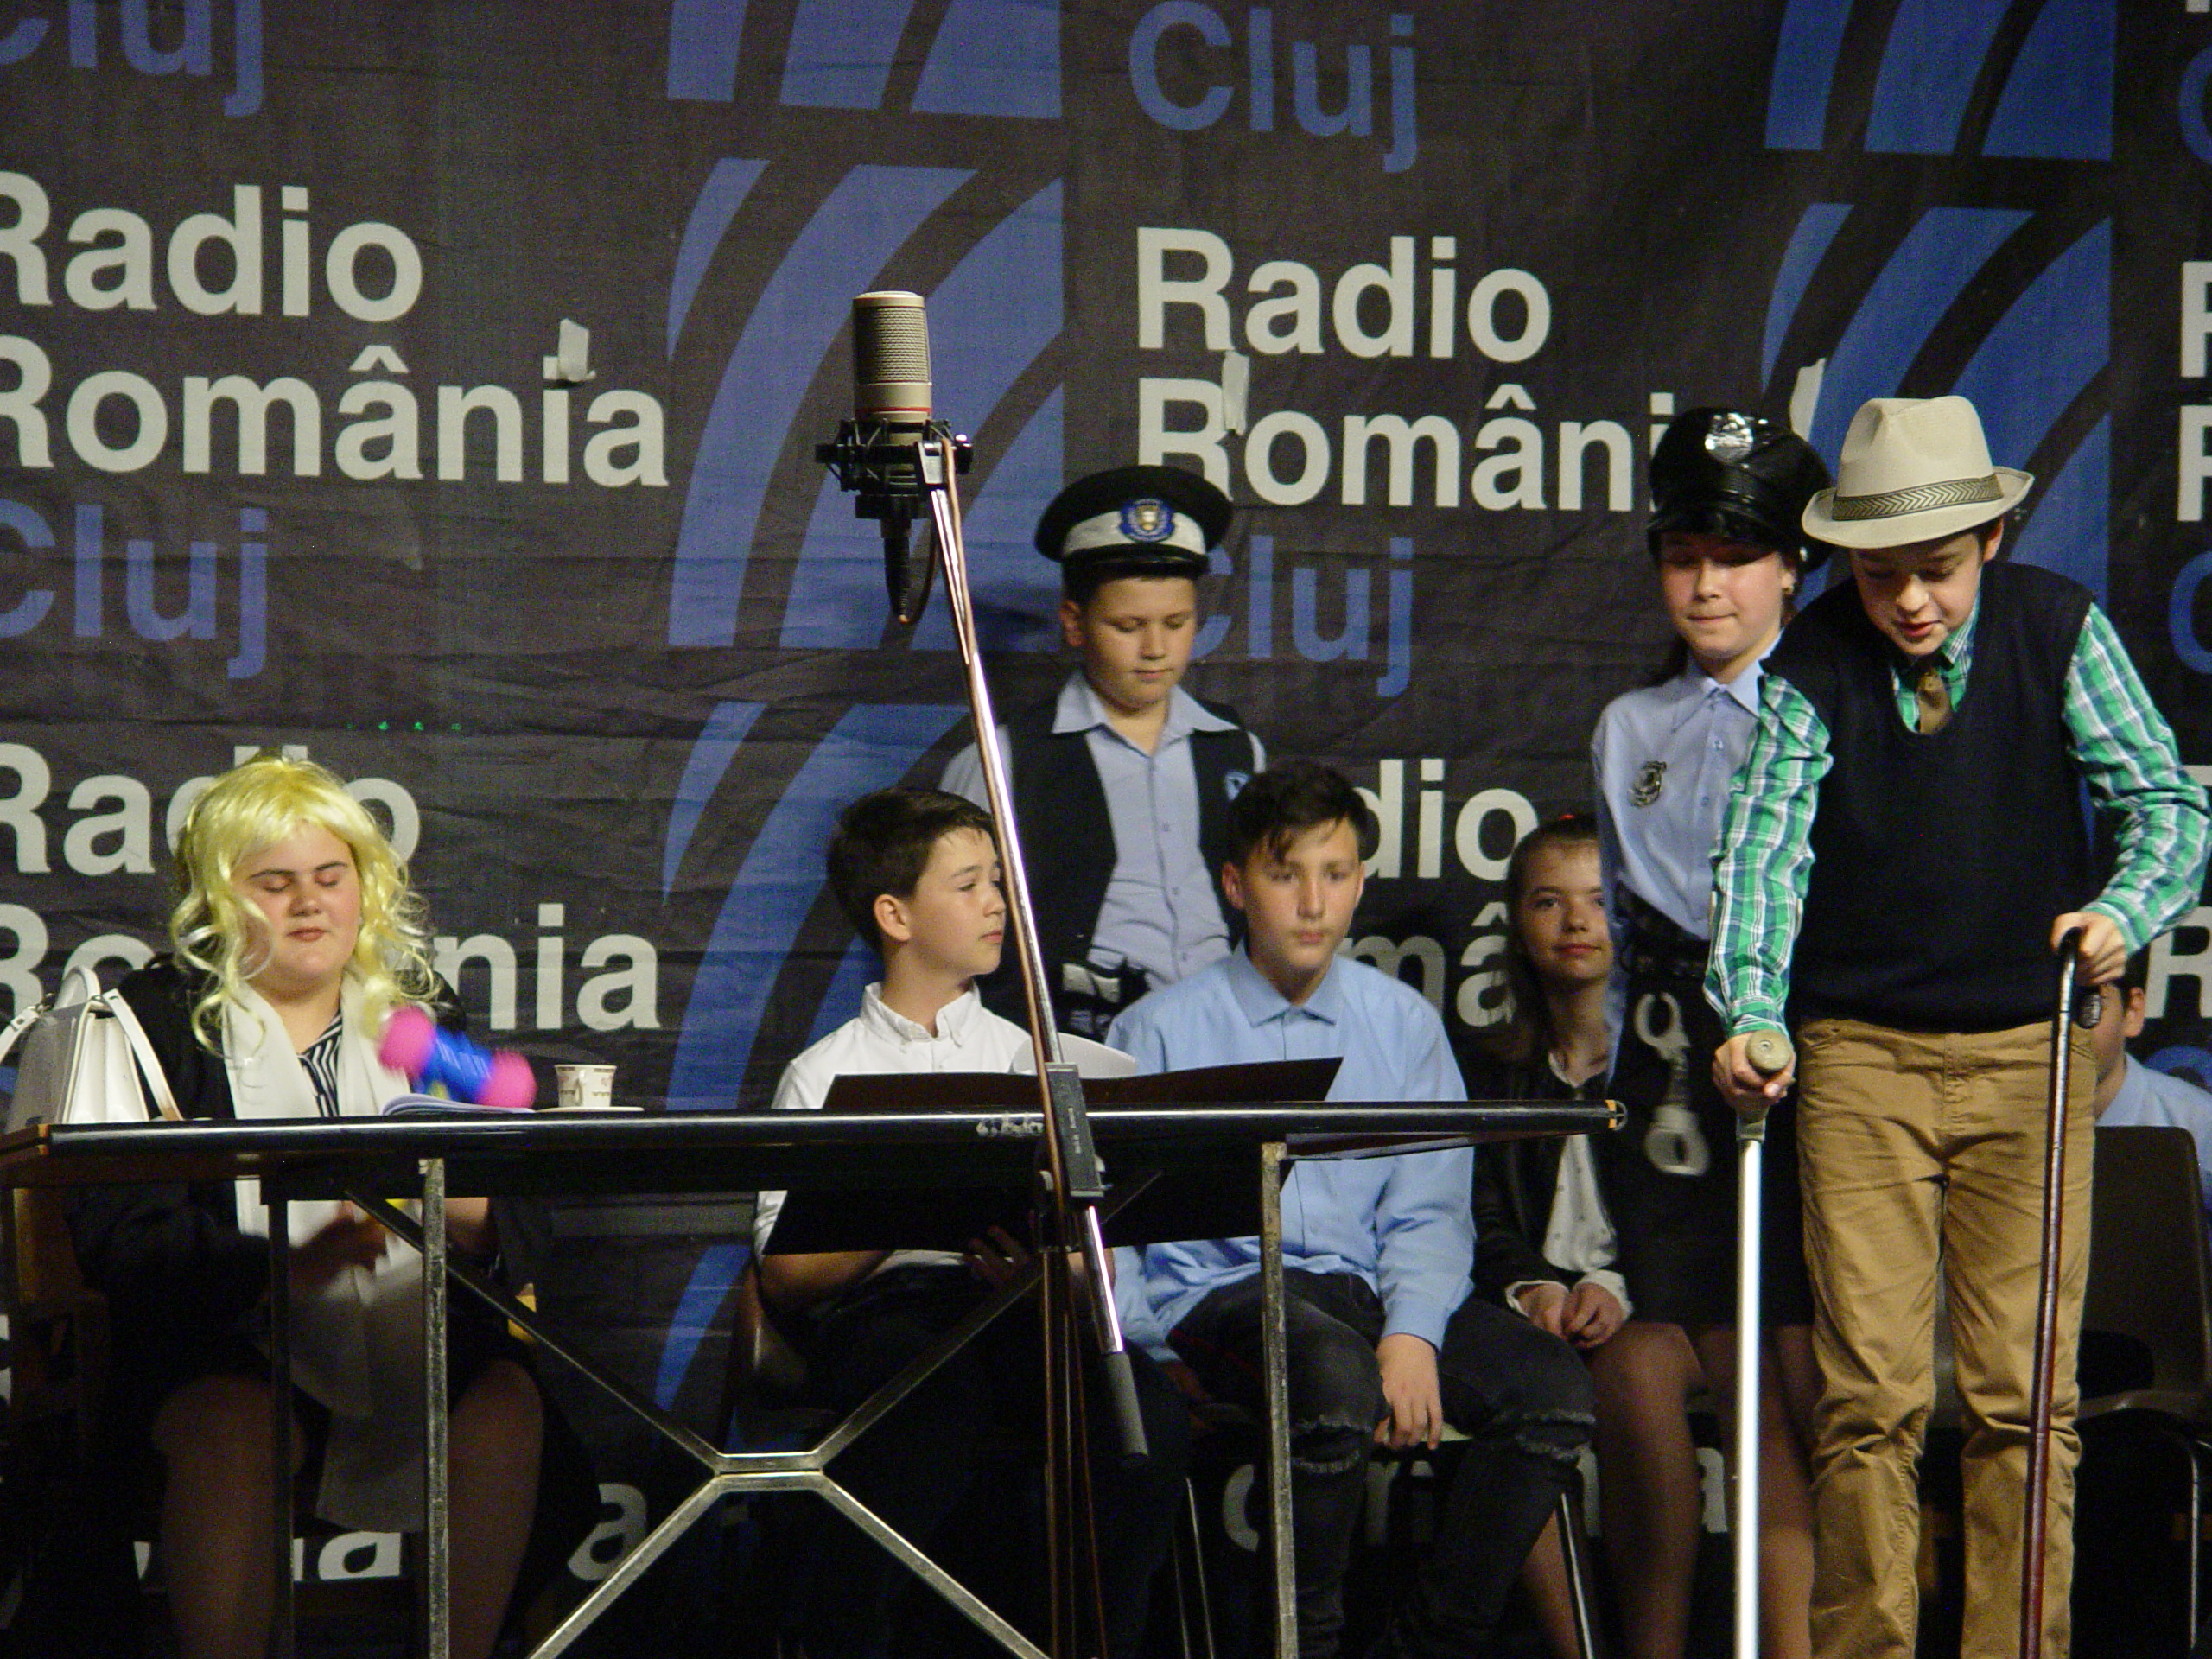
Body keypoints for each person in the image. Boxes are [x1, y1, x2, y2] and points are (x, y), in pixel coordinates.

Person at [1707, 395, 2212, 1659]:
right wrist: (1754, 1011)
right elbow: (1764, 853)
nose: (1911, 603)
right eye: (1883, 577)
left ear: (1989, 540)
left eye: (1934, 570)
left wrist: (2118, 913)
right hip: (1857, 1055)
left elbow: (2167, 805)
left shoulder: (2059, 628)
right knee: (1869, 1398)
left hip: (2023, 1056)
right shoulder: (1814, 662)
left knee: (2023, 1403)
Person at [67, 753, 563, 1659]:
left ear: (363, 888)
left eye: (331, 878)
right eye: (275, 883)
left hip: (410, 1333)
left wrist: (470, 1209)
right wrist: (279, 1269)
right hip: (226, 1343)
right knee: (233, 1425)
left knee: (503, 1403)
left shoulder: (412, 1021)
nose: (310, 904)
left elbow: (521, 1181)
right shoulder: (154, 1021)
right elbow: (122, 1241)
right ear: (218, 897)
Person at [1111, 760, 1594, 1659]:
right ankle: (1305, 1647)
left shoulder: (1401, 1021)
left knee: (1553, 1393)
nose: (1310, 902)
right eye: (1283, 873)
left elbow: (1431, 1207)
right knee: (1331, 1380)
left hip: (1366, 1292)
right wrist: (1144, 1347)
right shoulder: (1160, 1029)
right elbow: (1118, 1228)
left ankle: (1427, 1643)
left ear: (1361, 884)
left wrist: (1413, 1332)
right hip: (1223, 1298)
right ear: (1233, 885)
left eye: (1334, 875)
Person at [752, 786, 1189, 1659]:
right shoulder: (822, 1074)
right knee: (932, 1407)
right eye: (968, 884)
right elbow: (786, 1278)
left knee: (1140, 1415)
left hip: (1019, 1306)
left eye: (997, 880)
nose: (997, 903)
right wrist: (916, 1192)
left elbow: (1094, 1256)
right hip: (887, 1316)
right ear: (894, 913)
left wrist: (1050, 1266)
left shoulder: (1037, 1060)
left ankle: (1090, 1642)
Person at [1590, 406, 1827, 1659]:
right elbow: (1634, 946)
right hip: (1674, 1075)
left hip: (1805, 1064)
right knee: (1668, 1357)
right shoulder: (1631, 729)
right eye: (1683, 553)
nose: (1705, 582)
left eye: (1734, 555)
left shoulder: (1830, 704)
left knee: (1784, 1386)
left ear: (1792, 563)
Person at [943, 464, 1263, 1037]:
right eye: (1128, 625)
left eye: (1177, 622)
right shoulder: (1005, 760)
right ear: (1073, 622)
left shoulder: (1237, 752)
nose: (1155, 648)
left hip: (1224, 1049)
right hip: (1078, 1051)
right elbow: (948, 937)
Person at [1463, 813, 1624, 1659]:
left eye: (1600, 900)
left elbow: (1688, 1221)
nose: (1575, 922)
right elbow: (1476, 1215)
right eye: (1548, 902)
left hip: (1651, 1309)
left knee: (1641, 1372)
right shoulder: (1483, 1067)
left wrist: (1617, 1286)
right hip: (1531, 1311)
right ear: (1516, 925)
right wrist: (1535, 1286)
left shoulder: (1673, 1060)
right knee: (1528, 1393)